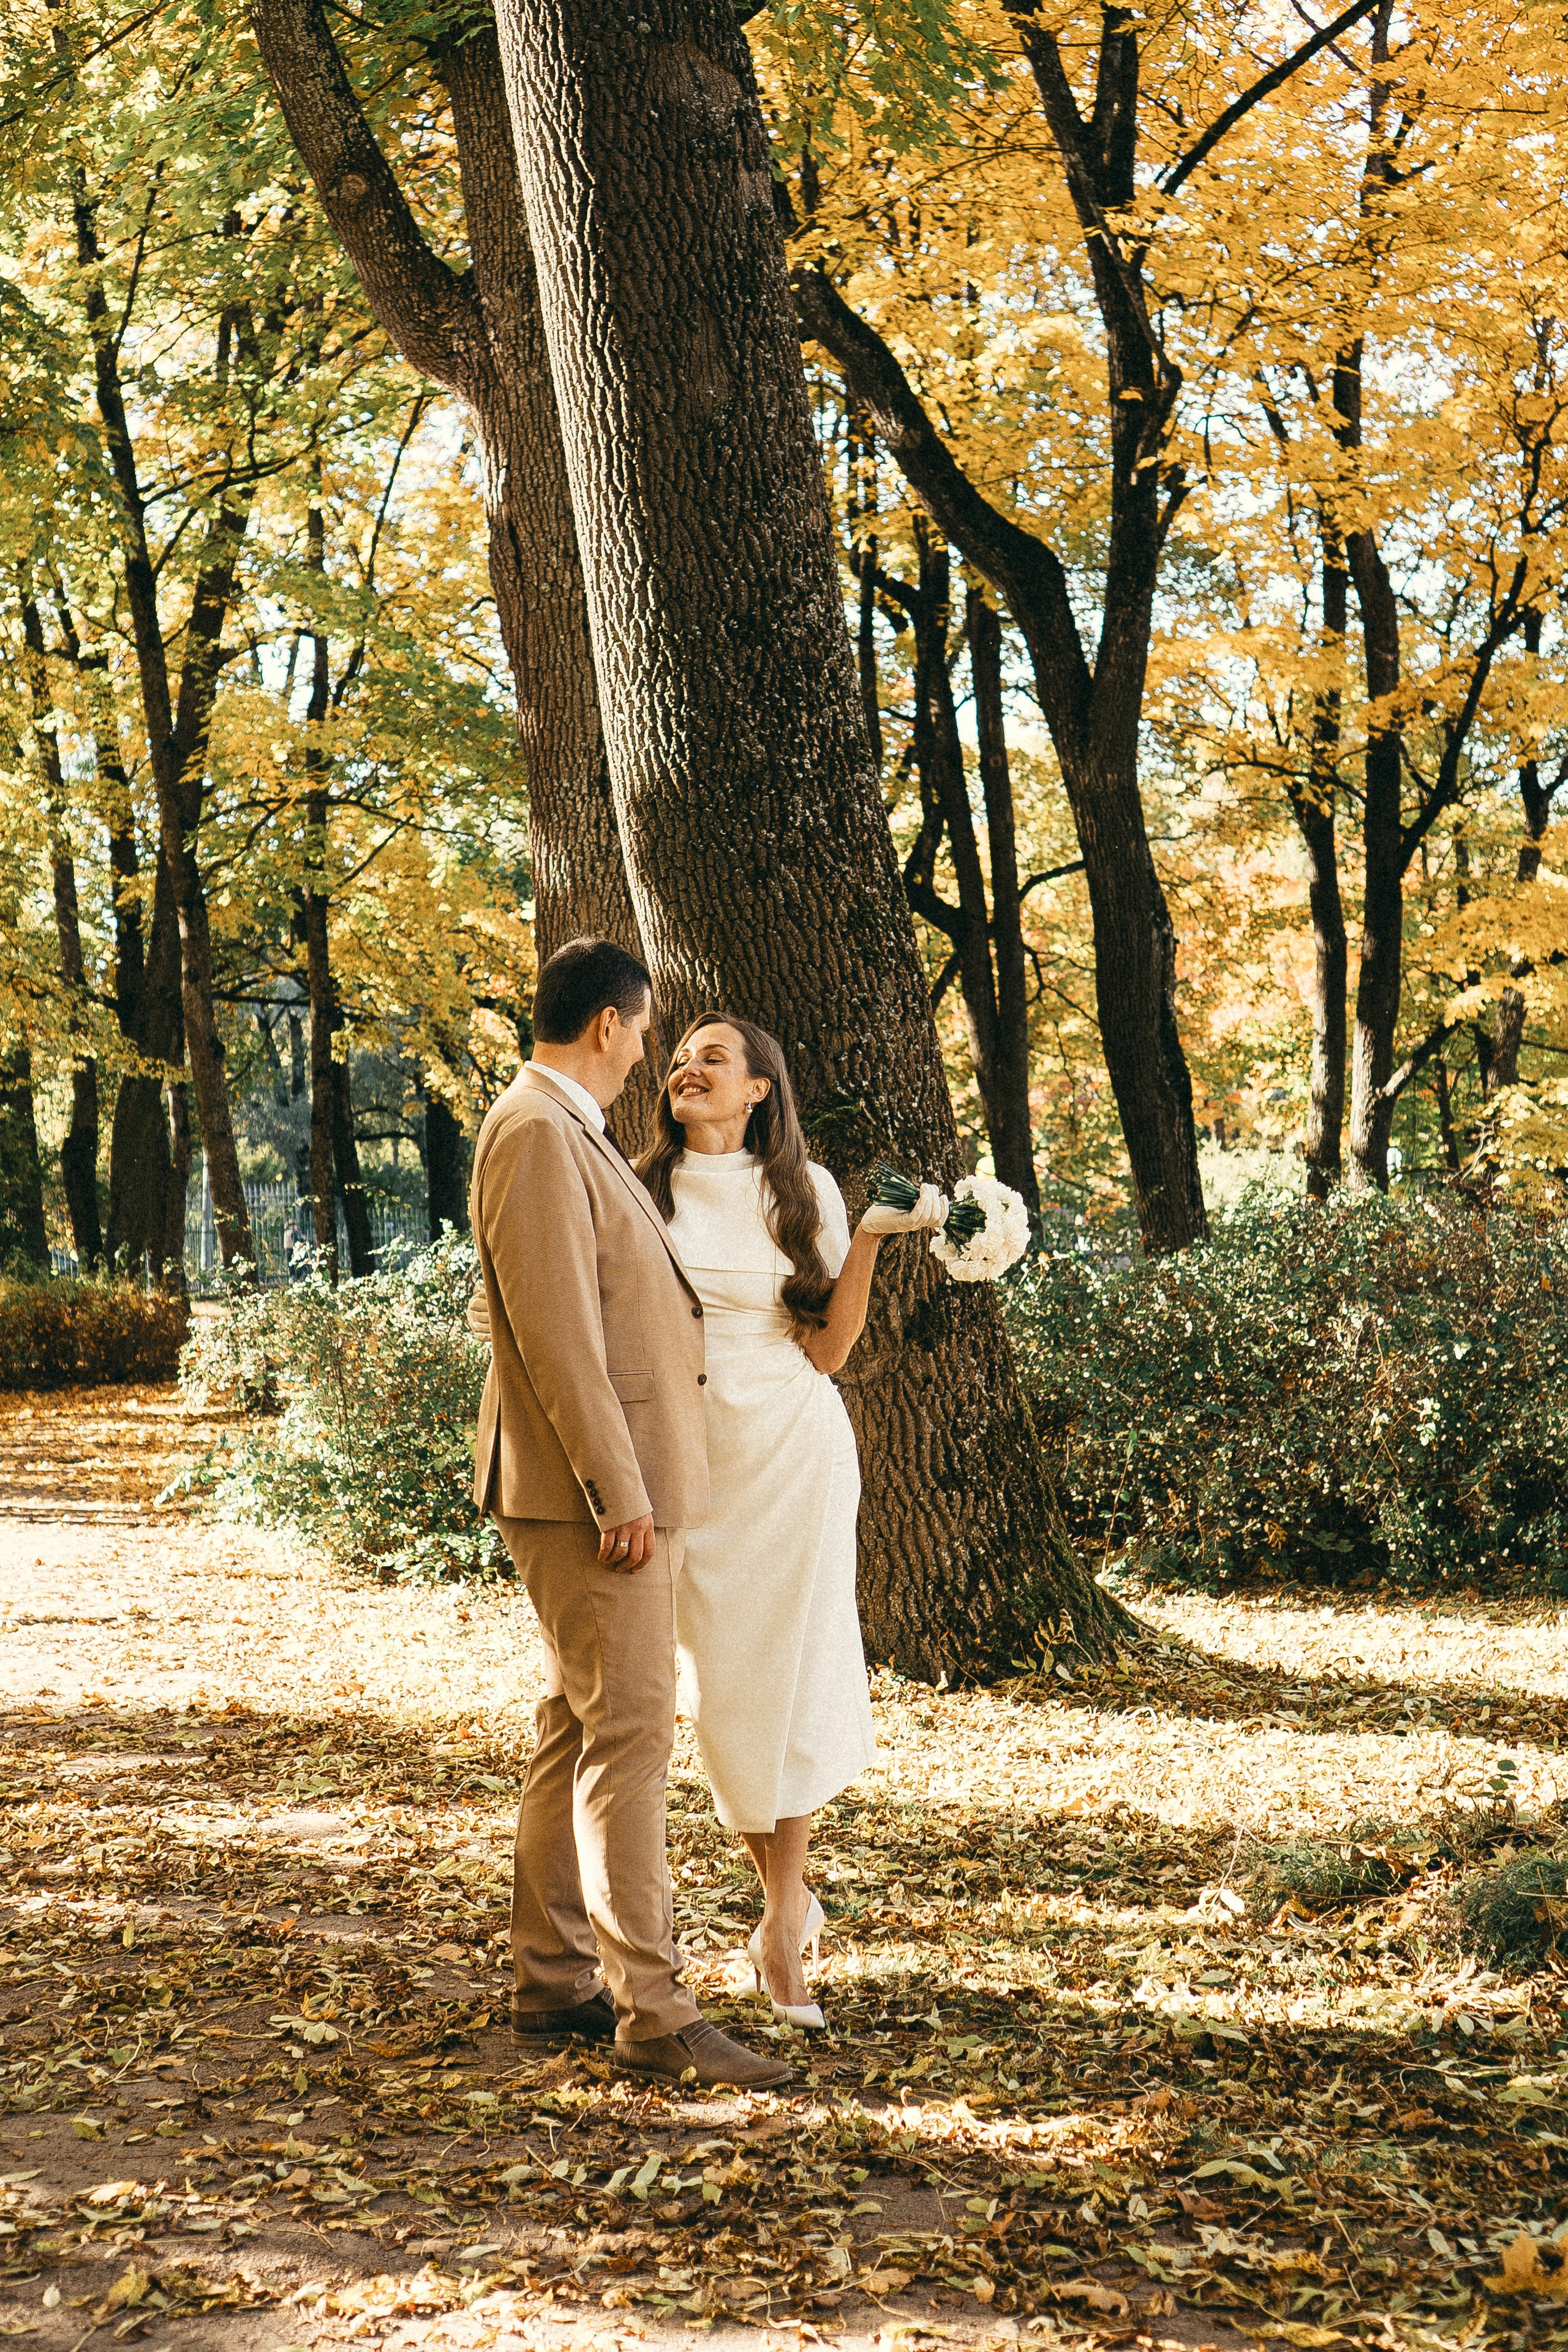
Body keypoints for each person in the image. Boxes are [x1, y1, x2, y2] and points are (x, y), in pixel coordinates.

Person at [469, 940, 792, 2092]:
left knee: (578, 1726)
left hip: (600, 1492)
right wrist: (620, 1492)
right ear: (608, 1024)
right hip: (591, 1500)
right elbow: (559, 1336)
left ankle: (553, 1978)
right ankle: (652, 2011)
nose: (651, 1049)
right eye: (646, 1028)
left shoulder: (566, 1131)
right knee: (633, 1740)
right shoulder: (538, 1134)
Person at [637, 1013, 943, 2028]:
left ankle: (778, 1925)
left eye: (712, 1057)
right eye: (679, 1054)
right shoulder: (639, 1186)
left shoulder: (799, 1191)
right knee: (722, 1689)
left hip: (796, 1453)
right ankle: (787, 1906)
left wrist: (863, 1238)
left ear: (759, 1089)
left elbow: (830, 1351)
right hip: (693, 1463)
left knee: (796, 1671)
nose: (687, 1065)